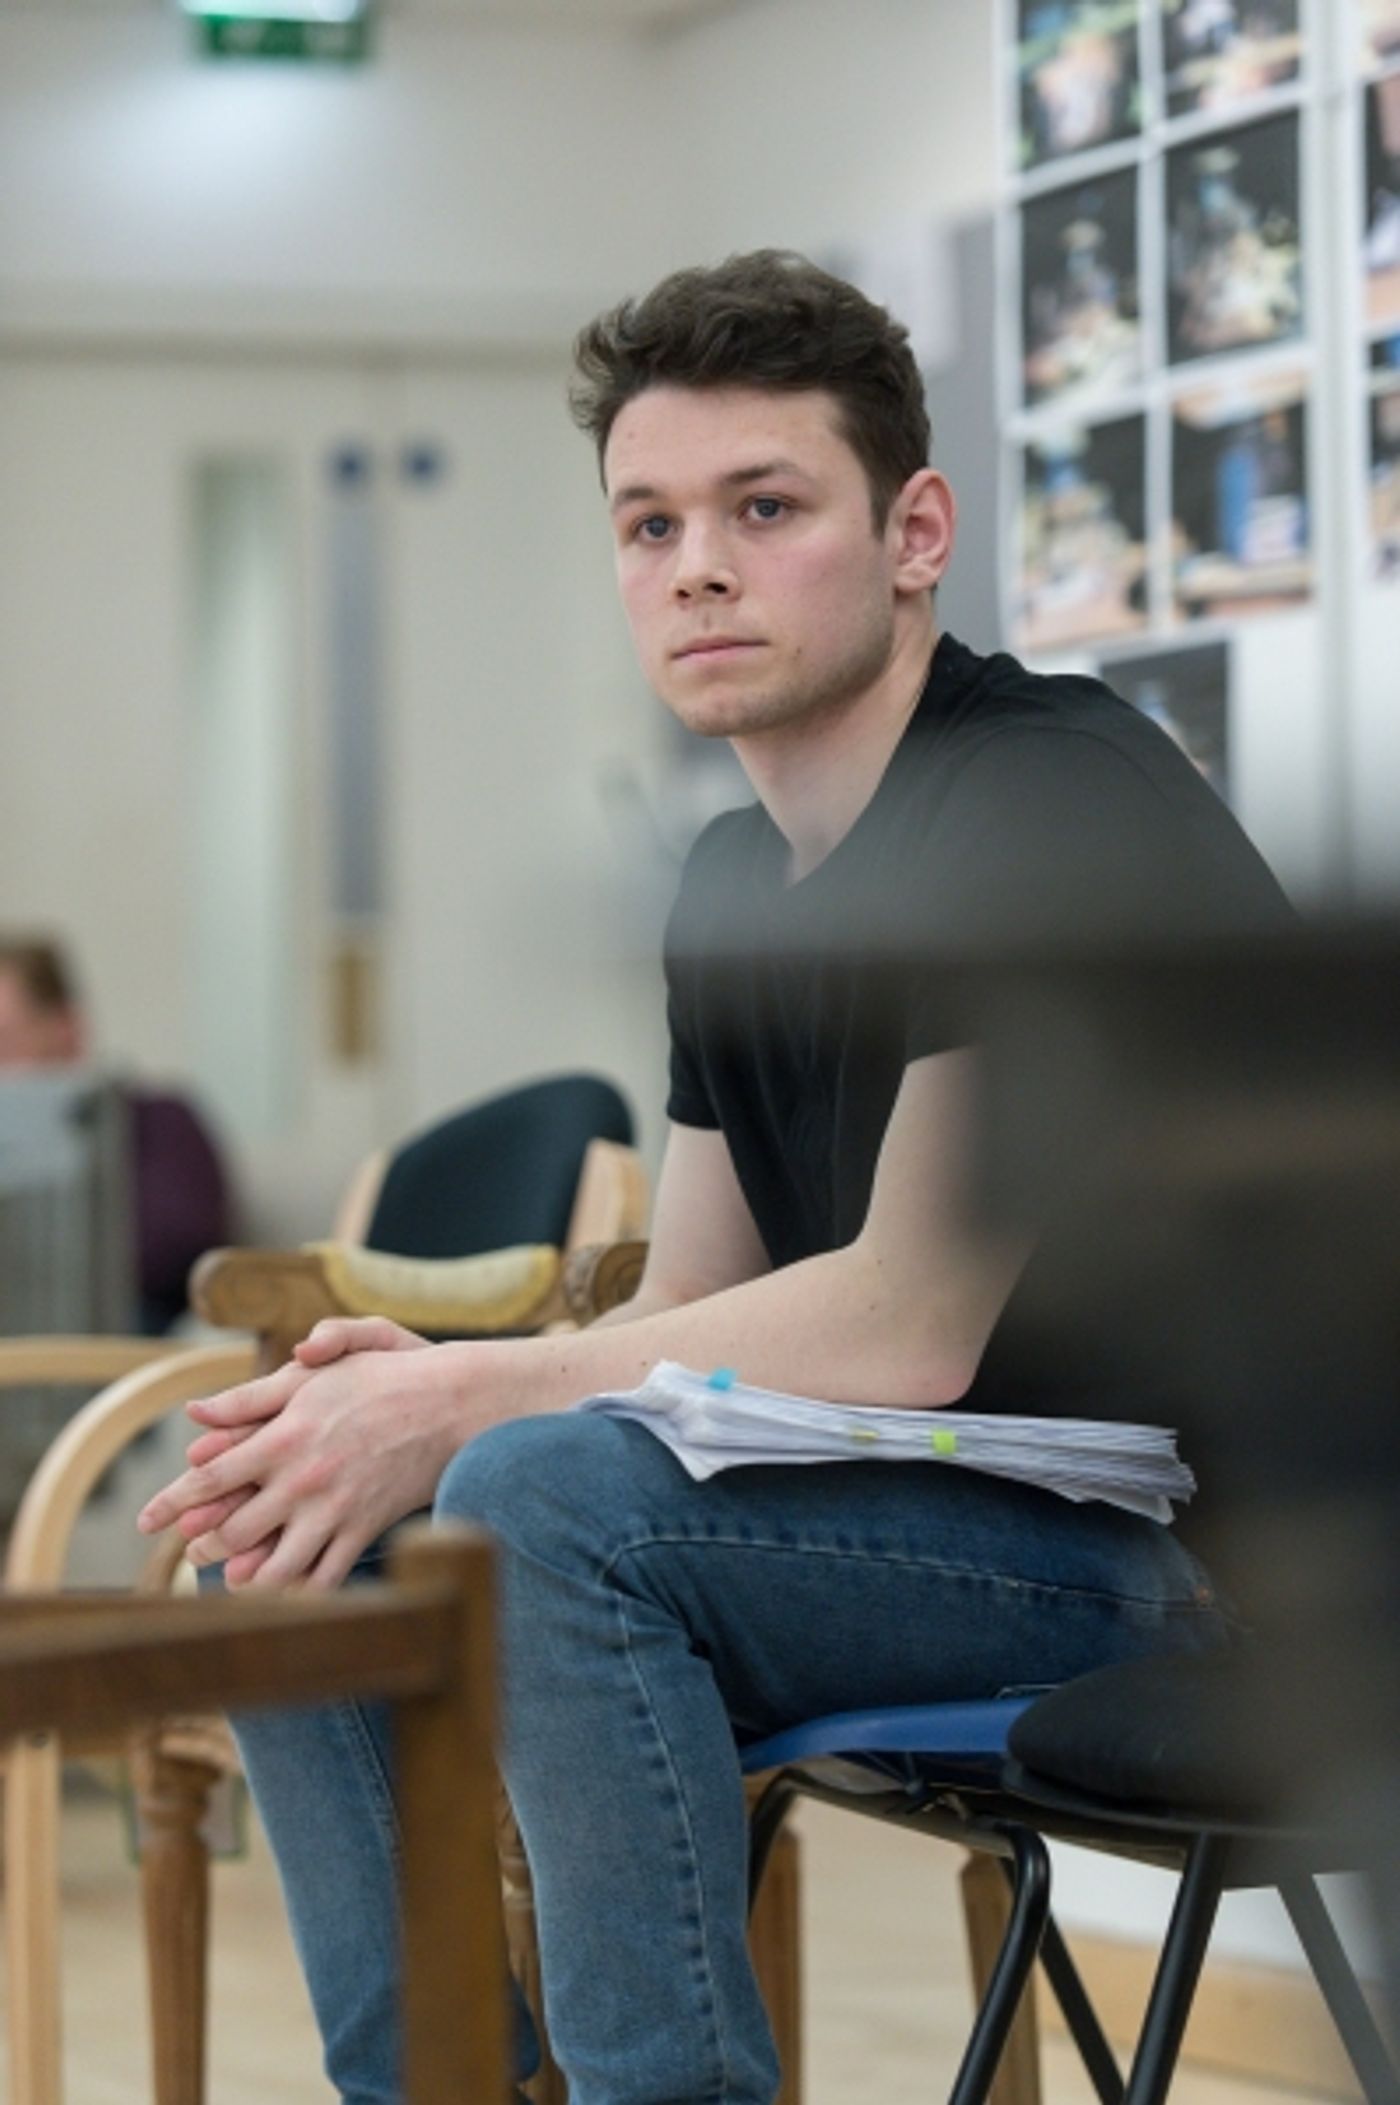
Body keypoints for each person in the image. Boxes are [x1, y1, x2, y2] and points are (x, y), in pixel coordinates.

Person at [138, 252, 1292, 2105]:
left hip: (1202, 1571)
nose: (696, 567)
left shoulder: (1052, 796)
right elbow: (685, 1312)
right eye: (649, 523)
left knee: (527, 1496)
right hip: (929, 1527)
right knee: (291, 1513)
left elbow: (906, 1324)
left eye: (766, 508)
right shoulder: (729, 888)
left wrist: (474, 1395)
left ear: (915, 529)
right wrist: (393, 1404)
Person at [0, 936, 234, 1332]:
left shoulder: (159, 1123)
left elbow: (179, 1245)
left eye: (4, 1040)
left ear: (66, 1028)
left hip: (124, 1353)